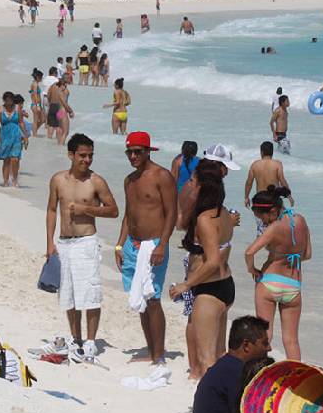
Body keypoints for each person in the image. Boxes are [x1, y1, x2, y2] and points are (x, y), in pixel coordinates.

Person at [44, 134, 118, 361]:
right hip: (64, 243)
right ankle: (75, 338)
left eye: (90, 156)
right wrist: (49, 242)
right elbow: (51, 210)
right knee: (69, 294)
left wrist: (87, 210)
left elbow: (113, 210)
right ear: (71, 155)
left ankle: (90, 341)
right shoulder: (58, 180)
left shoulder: (96, 182)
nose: (87, 160)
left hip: (86, 242)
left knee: (90, 293)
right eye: (82, 155)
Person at [116, 132, 177, 371]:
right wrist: (119, 245)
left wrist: (162, 244)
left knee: (153, 299)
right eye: (129, 152)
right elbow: (128, 215)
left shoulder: (162, 176)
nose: (133, 156)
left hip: (154, 245)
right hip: (132, 244)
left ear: (148, 151)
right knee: (140, 300)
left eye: (138, 151)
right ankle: (151, 350)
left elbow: (172, 213)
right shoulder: (129, 180)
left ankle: (159, 355)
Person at [171, 172, 236, 378]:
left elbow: (212, 261)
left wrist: (186, 285)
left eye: (192, 182)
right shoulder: (223, 213)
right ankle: (224, 404)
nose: (188, 184)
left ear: (201, 189)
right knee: (219, 355)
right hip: (225, 285)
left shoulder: (204, 219)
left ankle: (211, 408)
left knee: (207, 360)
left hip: (209, 290)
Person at [191, 316, 271, 413]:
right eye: (264, 343)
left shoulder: (223, 366)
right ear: (246, 345)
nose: (269, 348)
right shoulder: (238, 374)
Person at [245, 186, 310, 360]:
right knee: (291, 341)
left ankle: (258, 376)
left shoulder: (274, 228)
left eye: (263, 218)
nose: (263, 223)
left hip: (269, 283)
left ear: (273, 210)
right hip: (293, 286)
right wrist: (288, 257)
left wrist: (252, 270)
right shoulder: (301, 221)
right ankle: (296, 381)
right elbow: (307, 255)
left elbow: (249, 252)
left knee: (264, 336)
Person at [244, 141, 293, 222]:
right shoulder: (277, 164)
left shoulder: (255, 165)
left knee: (261, 229)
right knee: (277, 227)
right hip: (274, 200)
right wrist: (288, 195)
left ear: (261, 152)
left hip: (260, 201)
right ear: (272, 152)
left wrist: (246, 197)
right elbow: (282, 181)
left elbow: (249, 182)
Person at [0, 91, 29, 187]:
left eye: (11, 101)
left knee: (15, 159)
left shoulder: (17, 109)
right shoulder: (0, 109)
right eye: (7, 101)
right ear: (4, 100)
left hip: (16, 135)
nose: (9, 103)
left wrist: (25, 136)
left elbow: (21, 122)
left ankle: (15, 179)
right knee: (6, 160)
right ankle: (5, 181)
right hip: (4, 135)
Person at [46, 77, 73, 146]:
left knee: (60, 129)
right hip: (63, 111)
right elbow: (65, 103)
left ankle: (59, 144)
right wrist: (70, 111)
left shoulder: (58, 91)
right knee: (66, 132)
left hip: (59, 111)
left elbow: (49, 95)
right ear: (63, 84)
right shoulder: (64, 92)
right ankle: (61, 145)